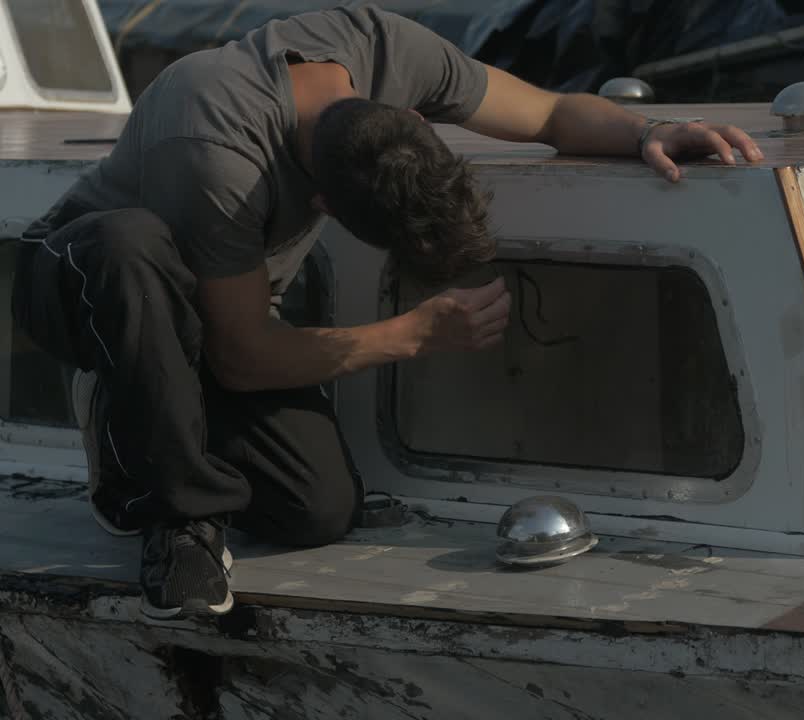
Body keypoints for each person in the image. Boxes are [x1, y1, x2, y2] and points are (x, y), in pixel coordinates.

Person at [12, 4, 763, 620]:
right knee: (130, 246)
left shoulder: (384, 45)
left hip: (212, 323)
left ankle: (160, 431)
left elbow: (554, 111)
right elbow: (240, 356)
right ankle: (162, 500)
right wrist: (411, 334)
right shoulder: (214, 147)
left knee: (315, 508)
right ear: (323, 205)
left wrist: (646, 133)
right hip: (87, 288)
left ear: (413, 112)